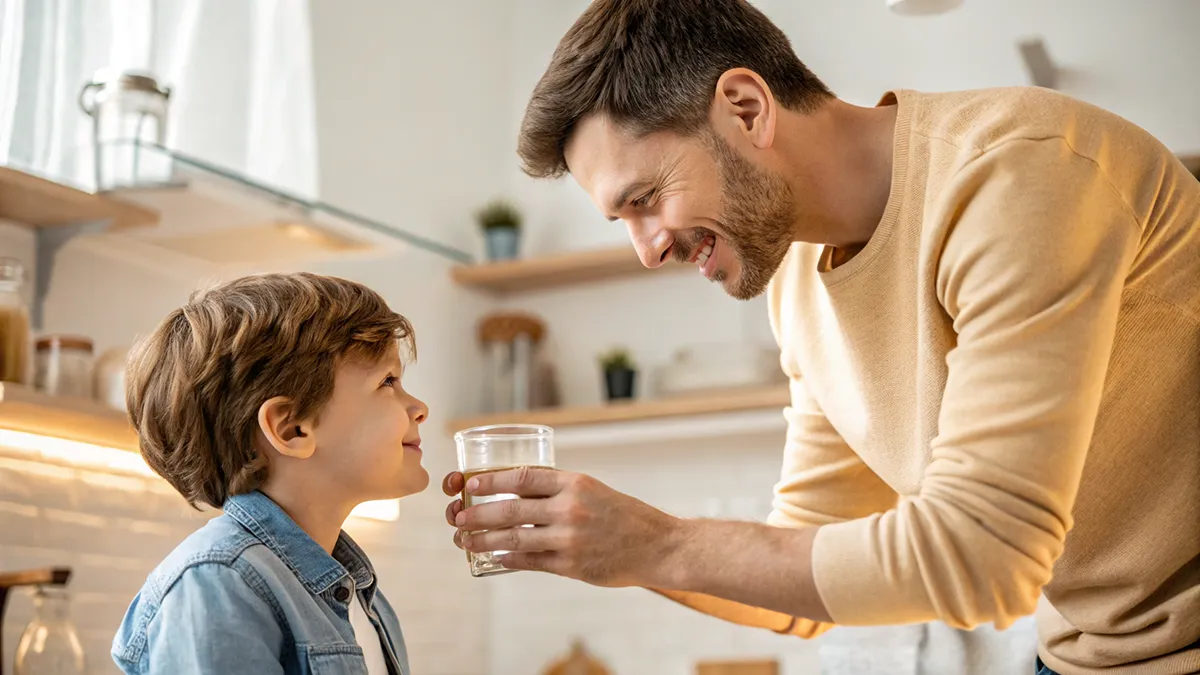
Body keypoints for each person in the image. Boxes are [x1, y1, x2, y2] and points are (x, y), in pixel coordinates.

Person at [442, 1, 1200, 674]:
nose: (646, 249)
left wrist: (654, 542)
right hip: (1083, 656)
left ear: (745, 107)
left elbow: (984, 557)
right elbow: (800, 583)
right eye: (622, 221)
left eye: (645, 199)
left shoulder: (1017, 174)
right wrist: (599, 545)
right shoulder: (800, 286)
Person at [112, 273, 428, 675]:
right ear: (291, 428)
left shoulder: (362, 597)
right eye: (388, 381)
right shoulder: (218, 584)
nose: (419, 407)